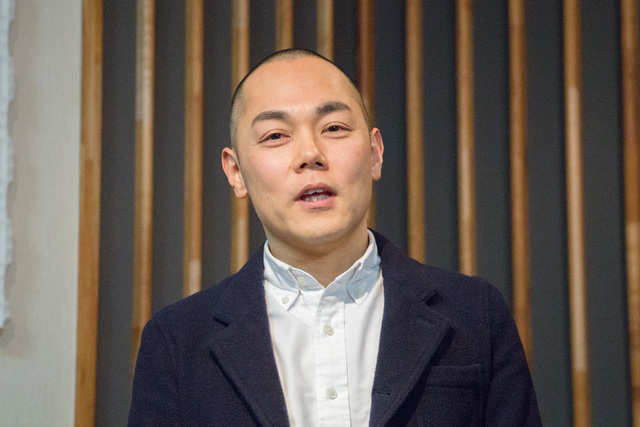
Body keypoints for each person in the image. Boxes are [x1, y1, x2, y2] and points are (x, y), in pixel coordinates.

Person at [128, 48, 541, 426]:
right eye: (276, 135)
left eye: (334, 127)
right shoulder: (176, 342)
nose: (310, 153)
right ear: (236, 172)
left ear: (375, 153)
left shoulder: (475, 315)